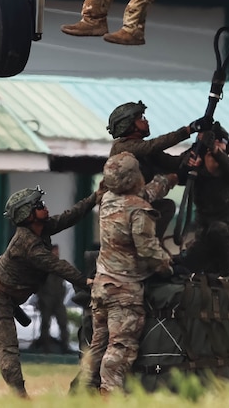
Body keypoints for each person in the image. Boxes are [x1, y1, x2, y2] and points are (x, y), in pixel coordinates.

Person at [0, 186, 98, 398]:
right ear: (28, 215)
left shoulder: (41, 228)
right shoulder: (27, 243)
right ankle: (21, 398)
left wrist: (95, 197)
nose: (45, 207)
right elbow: (56, 265)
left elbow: (69, 217)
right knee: (6, 349)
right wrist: (86, 281)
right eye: (39, 206)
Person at [81, 152, 177, 394]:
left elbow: (145, 193)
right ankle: (109, 396)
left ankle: (83, 393)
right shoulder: (139, 210)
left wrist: (170, 179)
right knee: (120, 348)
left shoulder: (108, 200)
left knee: (97, 346)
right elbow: (148, 251)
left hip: (102, 287)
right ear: (135, 177)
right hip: (125, 292)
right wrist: (168, 265)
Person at [105, 101, 209, 238]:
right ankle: (144, 245)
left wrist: (197, 147)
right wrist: (188, 130)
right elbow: (153, 146)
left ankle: (152, 243)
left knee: (166, 207)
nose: (146, 121)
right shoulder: (121, 148)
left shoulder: (146, 150)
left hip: (140, 205)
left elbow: (174, 163)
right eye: (141, 118)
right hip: (123, 211)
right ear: (129, 125)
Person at [178, 124, 229, 277]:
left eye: (222, 142)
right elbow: (177, 172)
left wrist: (214, 148)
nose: (218, 145)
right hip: (205, 238)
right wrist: (192, 153)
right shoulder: (196, 174)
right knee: (182, 267)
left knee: (218, 230)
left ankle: (225, 275)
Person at [35, 245, 70, 352]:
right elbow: (38, 283)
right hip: (46, 298)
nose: (56, 254)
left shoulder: (60, 265)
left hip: (58, 299)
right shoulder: (43, 266)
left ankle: (65, 345)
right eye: (54, 252)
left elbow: (64, 282)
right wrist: (41, 297)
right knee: (45, 323)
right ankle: (46, 346)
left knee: (63, 322)